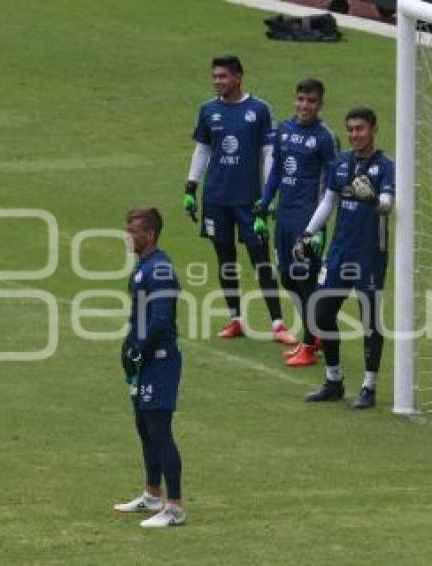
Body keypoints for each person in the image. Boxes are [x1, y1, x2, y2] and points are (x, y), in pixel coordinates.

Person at [184, 55, 297, 344]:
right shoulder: (208, 110)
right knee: (225, 260)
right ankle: (235, 318)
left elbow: (270, 152)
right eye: (214, 76)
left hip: (249, 200)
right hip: (216, 198)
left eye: (222, 76)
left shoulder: (258, 110)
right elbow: (203, 150)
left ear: (238, 77)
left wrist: (269, 197)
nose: (217, 81)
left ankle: (278, 323)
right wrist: (190, 187)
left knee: (260, 260)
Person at [295, 107, 395, 408]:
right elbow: (329, 202)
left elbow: (388, 205)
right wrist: (308, 233)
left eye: (360, 129)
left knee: (369, 320)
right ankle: (334, 380)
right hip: (339, 251)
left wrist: (374, 199)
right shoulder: (340, 164)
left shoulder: (385, 165)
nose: (354, 135)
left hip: (370, 254)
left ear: (374, 129)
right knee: (322, 312)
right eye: (350, 129)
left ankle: (368, 387)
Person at [253, 78, 339, 367]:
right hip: (284, 220)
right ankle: (314, 338)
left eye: (311, 101)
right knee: (289, 278)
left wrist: (316, 228)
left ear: (320, 104)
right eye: (301, 99)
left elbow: (331, 186)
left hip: (308, 223)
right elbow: (276, 169)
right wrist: (264, 204)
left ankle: (310, 342)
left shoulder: (325, 138)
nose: (304, 106)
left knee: (306, 281)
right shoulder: (284, 131)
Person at [114, 206, 186, 527]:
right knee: (145, 429)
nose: (128, 237)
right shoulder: (145, 266)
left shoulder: (160, 270)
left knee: (160, 431)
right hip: (144, 361)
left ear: (150, 235)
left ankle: (175, 508)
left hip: (159, 361)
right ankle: (152, 495)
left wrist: (138, 348)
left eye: (133, 231)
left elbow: (159, 321)